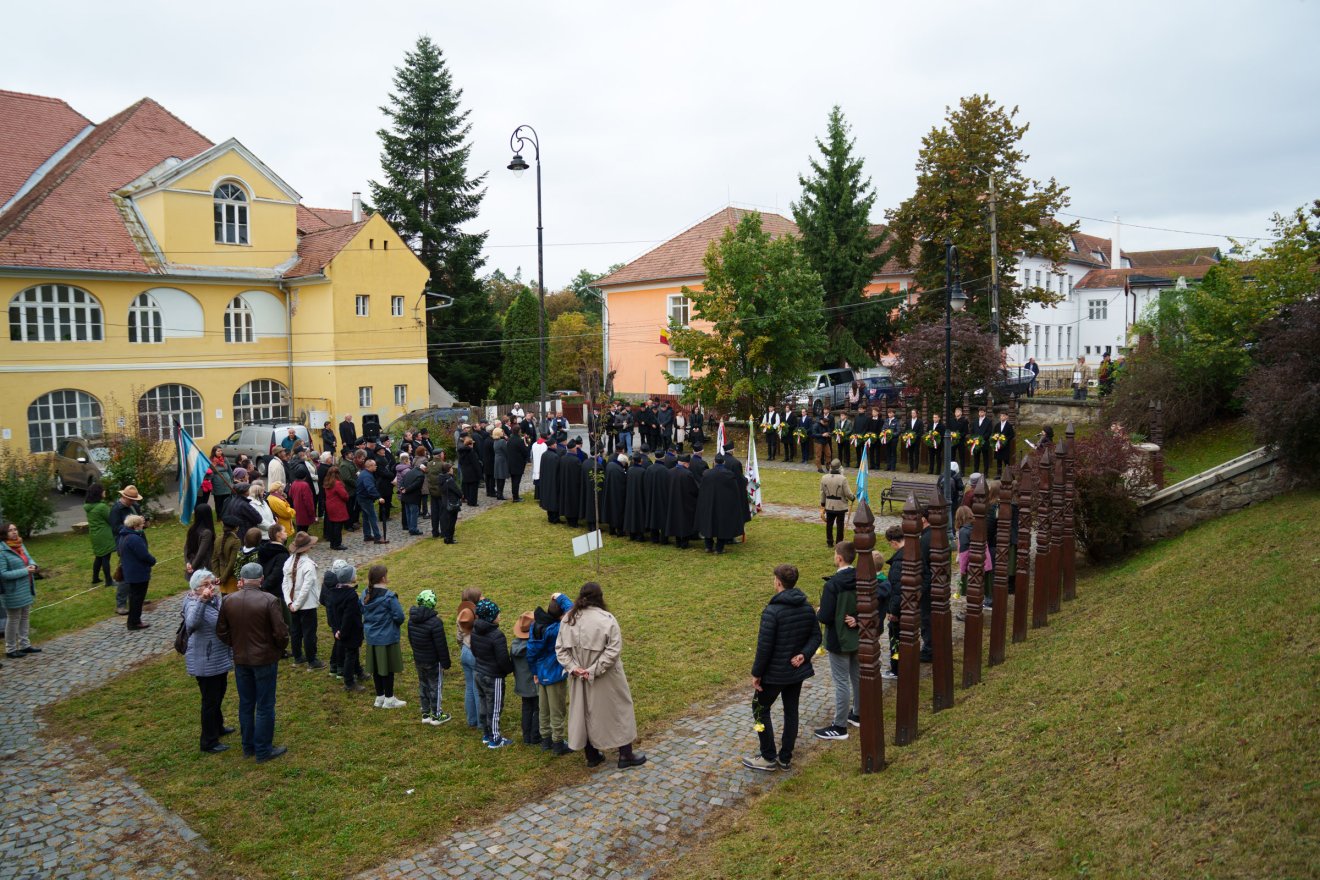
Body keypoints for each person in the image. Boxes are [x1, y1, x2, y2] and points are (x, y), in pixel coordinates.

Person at [556, 582, 645, 769]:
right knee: (619, 709)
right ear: (600, 597)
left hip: (580, 677)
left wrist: (575, 668)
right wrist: (592, 670)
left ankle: (592, 755)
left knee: (584, 711)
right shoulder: (606, 619)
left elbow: (560, 650)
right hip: (606, 677)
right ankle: (625, 755)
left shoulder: (567, 620)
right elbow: (613, 651)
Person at [743, 563, 822, 772]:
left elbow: (764, 647)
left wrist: (756, 673)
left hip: (775, 674)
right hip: (795, 673)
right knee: (791, 711)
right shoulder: (806, 607)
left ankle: (768, 756)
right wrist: (804, 655)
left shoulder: (773, 611)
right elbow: (816, 636)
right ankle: (785, 757)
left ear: (778, 582)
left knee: (759, 709)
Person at [217, 562, 289, 763]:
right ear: (261, 579)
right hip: (264, 659)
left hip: (241, 659)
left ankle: (248, 746)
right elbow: (281, 633)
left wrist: (236, 645)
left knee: (246, 703)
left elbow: (221, 631)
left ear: (242, 580)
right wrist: (277, 649)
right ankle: (263, 749)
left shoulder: (229, 600)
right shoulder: (269, 600)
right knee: (265, 705)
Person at [183, 569, 235, 753]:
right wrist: (202, 601)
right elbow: (191, 624)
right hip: (205, 660)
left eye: (212, 584)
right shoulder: (193, 603)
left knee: (219, 693)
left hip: (217, 658)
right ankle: (208, 741)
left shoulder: (214, 600)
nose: (210, 588)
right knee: (210, 701)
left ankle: (218, 727)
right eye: (206, 585)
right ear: (196, 588)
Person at [814, 541, 860, 741]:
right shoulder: (863, 576)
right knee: (857, 677)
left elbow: (825, 616)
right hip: (858, 635)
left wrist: (818, 612)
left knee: (841, 682)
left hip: (838, 638)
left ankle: (839, 726)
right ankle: (858, 713)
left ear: (839, 557)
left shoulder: (832, 585)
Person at [527, 592, 574, 754]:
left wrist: (534, 671)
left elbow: (531, 652)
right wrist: (561, 597)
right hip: (555, 673)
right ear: (561, 615)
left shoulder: (535, 626)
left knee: (544, 708)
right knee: (557, 709)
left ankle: (545, 739)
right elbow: (574, 611)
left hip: (540, 672)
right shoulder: (557, 628)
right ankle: (558, 743)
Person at [470, 598, 514, 749]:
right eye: (497, 614)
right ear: (491, 617)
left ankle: (486, 734)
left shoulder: (474, 630)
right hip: (493, 676)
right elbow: (502, 659)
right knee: (494, 707)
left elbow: (474, 651)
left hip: (478, 672)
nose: (499, 616)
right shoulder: (497, 635)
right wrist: (509, 669)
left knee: (483, 704)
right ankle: (495, 738)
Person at [362, 564, 407, 709]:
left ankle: (379, 697)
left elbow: (361, 610)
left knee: (376, 669)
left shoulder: (364, 594)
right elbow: (399, 616)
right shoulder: (389, 597)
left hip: (372, 638)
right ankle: (389, 699)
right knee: (388, 669)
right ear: (383, 578)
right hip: (386, 638)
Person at [407, 589, 452, 726]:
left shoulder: (411, 620)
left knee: (423, 684)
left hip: (419, 659)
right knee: (435, 686)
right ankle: (437, 715)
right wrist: (446, 662)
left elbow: (410, 639)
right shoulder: (435, 622)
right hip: (433, 661)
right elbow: (441, 645)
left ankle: (425, 713)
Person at [282, 532, 323, 668]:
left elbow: (285, 585)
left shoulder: (289, 561)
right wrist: (296, 604)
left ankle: (298, 656)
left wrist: (289, 602)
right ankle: (312, 660)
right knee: (309, 632)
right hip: (306, 604)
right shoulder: (308, 565)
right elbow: (306, 588)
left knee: (296, 630)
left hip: (293, 603)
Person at [2, 522, 39, 660]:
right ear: (4, 534)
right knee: (13, 619)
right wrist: (25, 571)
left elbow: (28, 558)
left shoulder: (20, 544)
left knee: (25, 616)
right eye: (10, 530)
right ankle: (10, 648)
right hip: (12, 590)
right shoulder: (2, 550)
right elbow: (3, 574)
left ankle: (25, 644)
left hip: (26, 586)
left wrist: (34, 565)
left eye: (15, 529)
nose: (14, 532)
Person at [327, 561, 364, 692]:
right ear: (350, 578)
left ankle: (359, 671)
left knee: (353, 653)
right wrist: (342, 631)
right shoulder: (351, 595)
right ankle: (349, 682)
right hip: (349, 631)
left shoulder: (334, 592)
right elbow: (349, 616)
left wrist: (336, 629)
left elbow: (332, 614)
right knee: (351, 654)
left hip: (340, 630)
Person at [696, 454, 744, 554]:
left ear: (714, 462)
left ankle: (708, 546)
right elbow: (734, 491)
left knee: (708, 523)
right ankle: (719, 548)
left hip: (709, 504)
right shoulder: (729, 474)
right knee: (722, 525)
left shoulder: (706, 474)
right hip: (723, 505)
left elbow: (702, 489)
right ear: (724, 463)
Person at [109, 485, 144, 615]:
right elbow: (115, 528)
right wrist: (132, 525)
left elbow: (139, 518)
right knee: (125, 573)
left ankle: (136, 598)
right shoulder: (116, 509)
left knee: (139, 571)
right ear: (124, 497)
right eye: (131, 499)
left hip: (137, 540)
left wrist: (142, 522)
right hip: (125, 544)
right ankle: (121, 604)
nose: (133, 501)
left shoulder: (134, 506)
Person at [118, 514, 156, 631]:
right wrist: (153, 560)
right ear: (135, 526)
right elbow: (144, 555)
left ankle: (133, 621)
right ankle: (135, 622)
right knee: (137, 599)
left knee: (134, 597)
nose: (142, 527)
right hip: (138, 573)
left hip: (130, 572)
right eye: (140, 525)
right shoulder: (135, 539)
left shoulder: (123, 536)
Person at [510, 612, 541, 746]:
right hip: (534, 684)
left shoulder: (514, 646)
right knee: (537, 708)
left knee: (526, 708)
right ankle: (535, 736)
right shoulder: (534, 647)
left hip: (521, 684)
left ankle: (526, 735)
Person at [456, 589, 481, 728]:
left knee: (469, 687)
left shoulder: (461, 615)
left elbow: (459, 637)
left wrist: (463, 648)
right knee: (478, 688)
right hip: (475, 652)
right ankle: (481, 722)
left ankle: (471, 720)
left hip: (465, 651)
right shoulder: (478, 616)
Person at [665, 454, 700, 550]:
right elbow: (694, 489)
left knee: (675, 520)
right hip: (685, 502)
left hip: (673, 501)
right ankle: (684, 542)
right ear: (685, 463)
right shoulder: (687, 474)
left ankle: (677, 541)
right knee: (685, 522)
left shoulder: (669, 472)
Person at [84, 483, 115, 586]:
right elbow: (111, 519)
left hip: (94, 535)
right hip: (104, 535)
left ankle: (95, 578)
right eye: (103, 490)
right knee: (106, 557)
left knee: (99, 556)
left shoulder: (88, 506)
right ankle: (108, 581)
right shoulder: (102, 507)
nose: (104, 492)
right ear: (99, 493)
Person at [819, 459, 854, 548]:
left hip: (829, 505)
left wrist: (823, 505)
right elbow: (847, 493)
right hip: (840, 506)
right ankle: (839, 543)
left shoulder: (824, 478)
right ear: (840, 468)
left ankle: (829, 541)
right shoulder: (843, 479)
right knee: (840, 525)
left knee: (829, 524)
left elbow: (822, 493)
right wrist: (853, 498)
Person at [622, 451, 649, 542]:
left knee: (631, 514)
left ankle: (631, 534)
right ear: (640, 461)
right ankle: (639, 535)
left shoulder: (629, 470)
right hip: (639, 496)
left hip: (630, 496)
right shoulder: (643, 471)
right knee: (639, 515)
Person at [357, 456, 384, 544]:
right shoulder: (367, 476)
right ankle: (377, 537)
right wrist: (378, 497)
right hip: (365, 499)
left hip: (362, 498)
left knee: (365, 517)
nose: (376, 467)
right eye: (375, 465)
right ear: (370, 466)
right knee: (373, 517)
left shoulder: (365, 473)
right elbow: (370, 488)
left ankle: (367, 535)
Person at [322, 468, 349, 551]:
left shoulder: (327, 483)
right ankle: (337, 544)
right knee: (338, 526)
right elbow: (344, 496)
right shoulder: (337, 483)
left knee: (332, 525)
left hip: (330, 506)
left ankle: (332, 543)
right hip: (338, 506)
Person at [398, 455, 426, 536]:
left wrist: (402, 488)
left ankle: (410, 528)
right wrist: (406, 489)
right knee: (414, 513)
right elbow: (415, 485)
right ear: (424, 468)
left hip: (405, 496)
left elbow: (403, 480)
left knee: (408, 513)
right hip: (413, 497)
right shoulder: (421, 475)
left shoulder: (411, 471)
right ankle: (413, 529)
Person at [457, 436, 482, 508]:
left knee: (467, 487)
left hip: (465, 471)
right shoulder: (471, 452)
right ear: (470, 444)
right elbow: (475, 464)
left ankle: (468, 500)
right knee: (473, 488)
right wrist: (479, 474)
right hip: (472, 472)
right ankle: (473, 502)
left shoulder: (461, 452)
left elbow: (460, 462)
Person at [506, 428, 528, 502]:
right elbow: (524, 452)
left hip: (511, 462)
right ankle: (516, 497)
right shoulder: (519, 440)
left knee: (513, 480)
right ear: (519, 431)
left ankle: (515, 495)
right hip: (518, 463)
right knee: (516, 481)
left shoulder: (509, 440)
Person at [993, 410, 1016, 478]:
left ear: (1007, 417)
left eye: (1003, 416)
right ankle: (999, 474)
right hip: (998, 445)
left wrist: (1005, 439)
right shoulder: (997, 425)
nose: (1002, 417)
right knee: (998, 460)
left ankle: (1008, 474)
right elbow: (994, 434)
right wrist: (996, 437)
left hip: (1005, 446)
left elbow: (1011, 435)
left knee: (1006, 460)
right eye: (1001, 416)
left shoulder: (1009, 425)